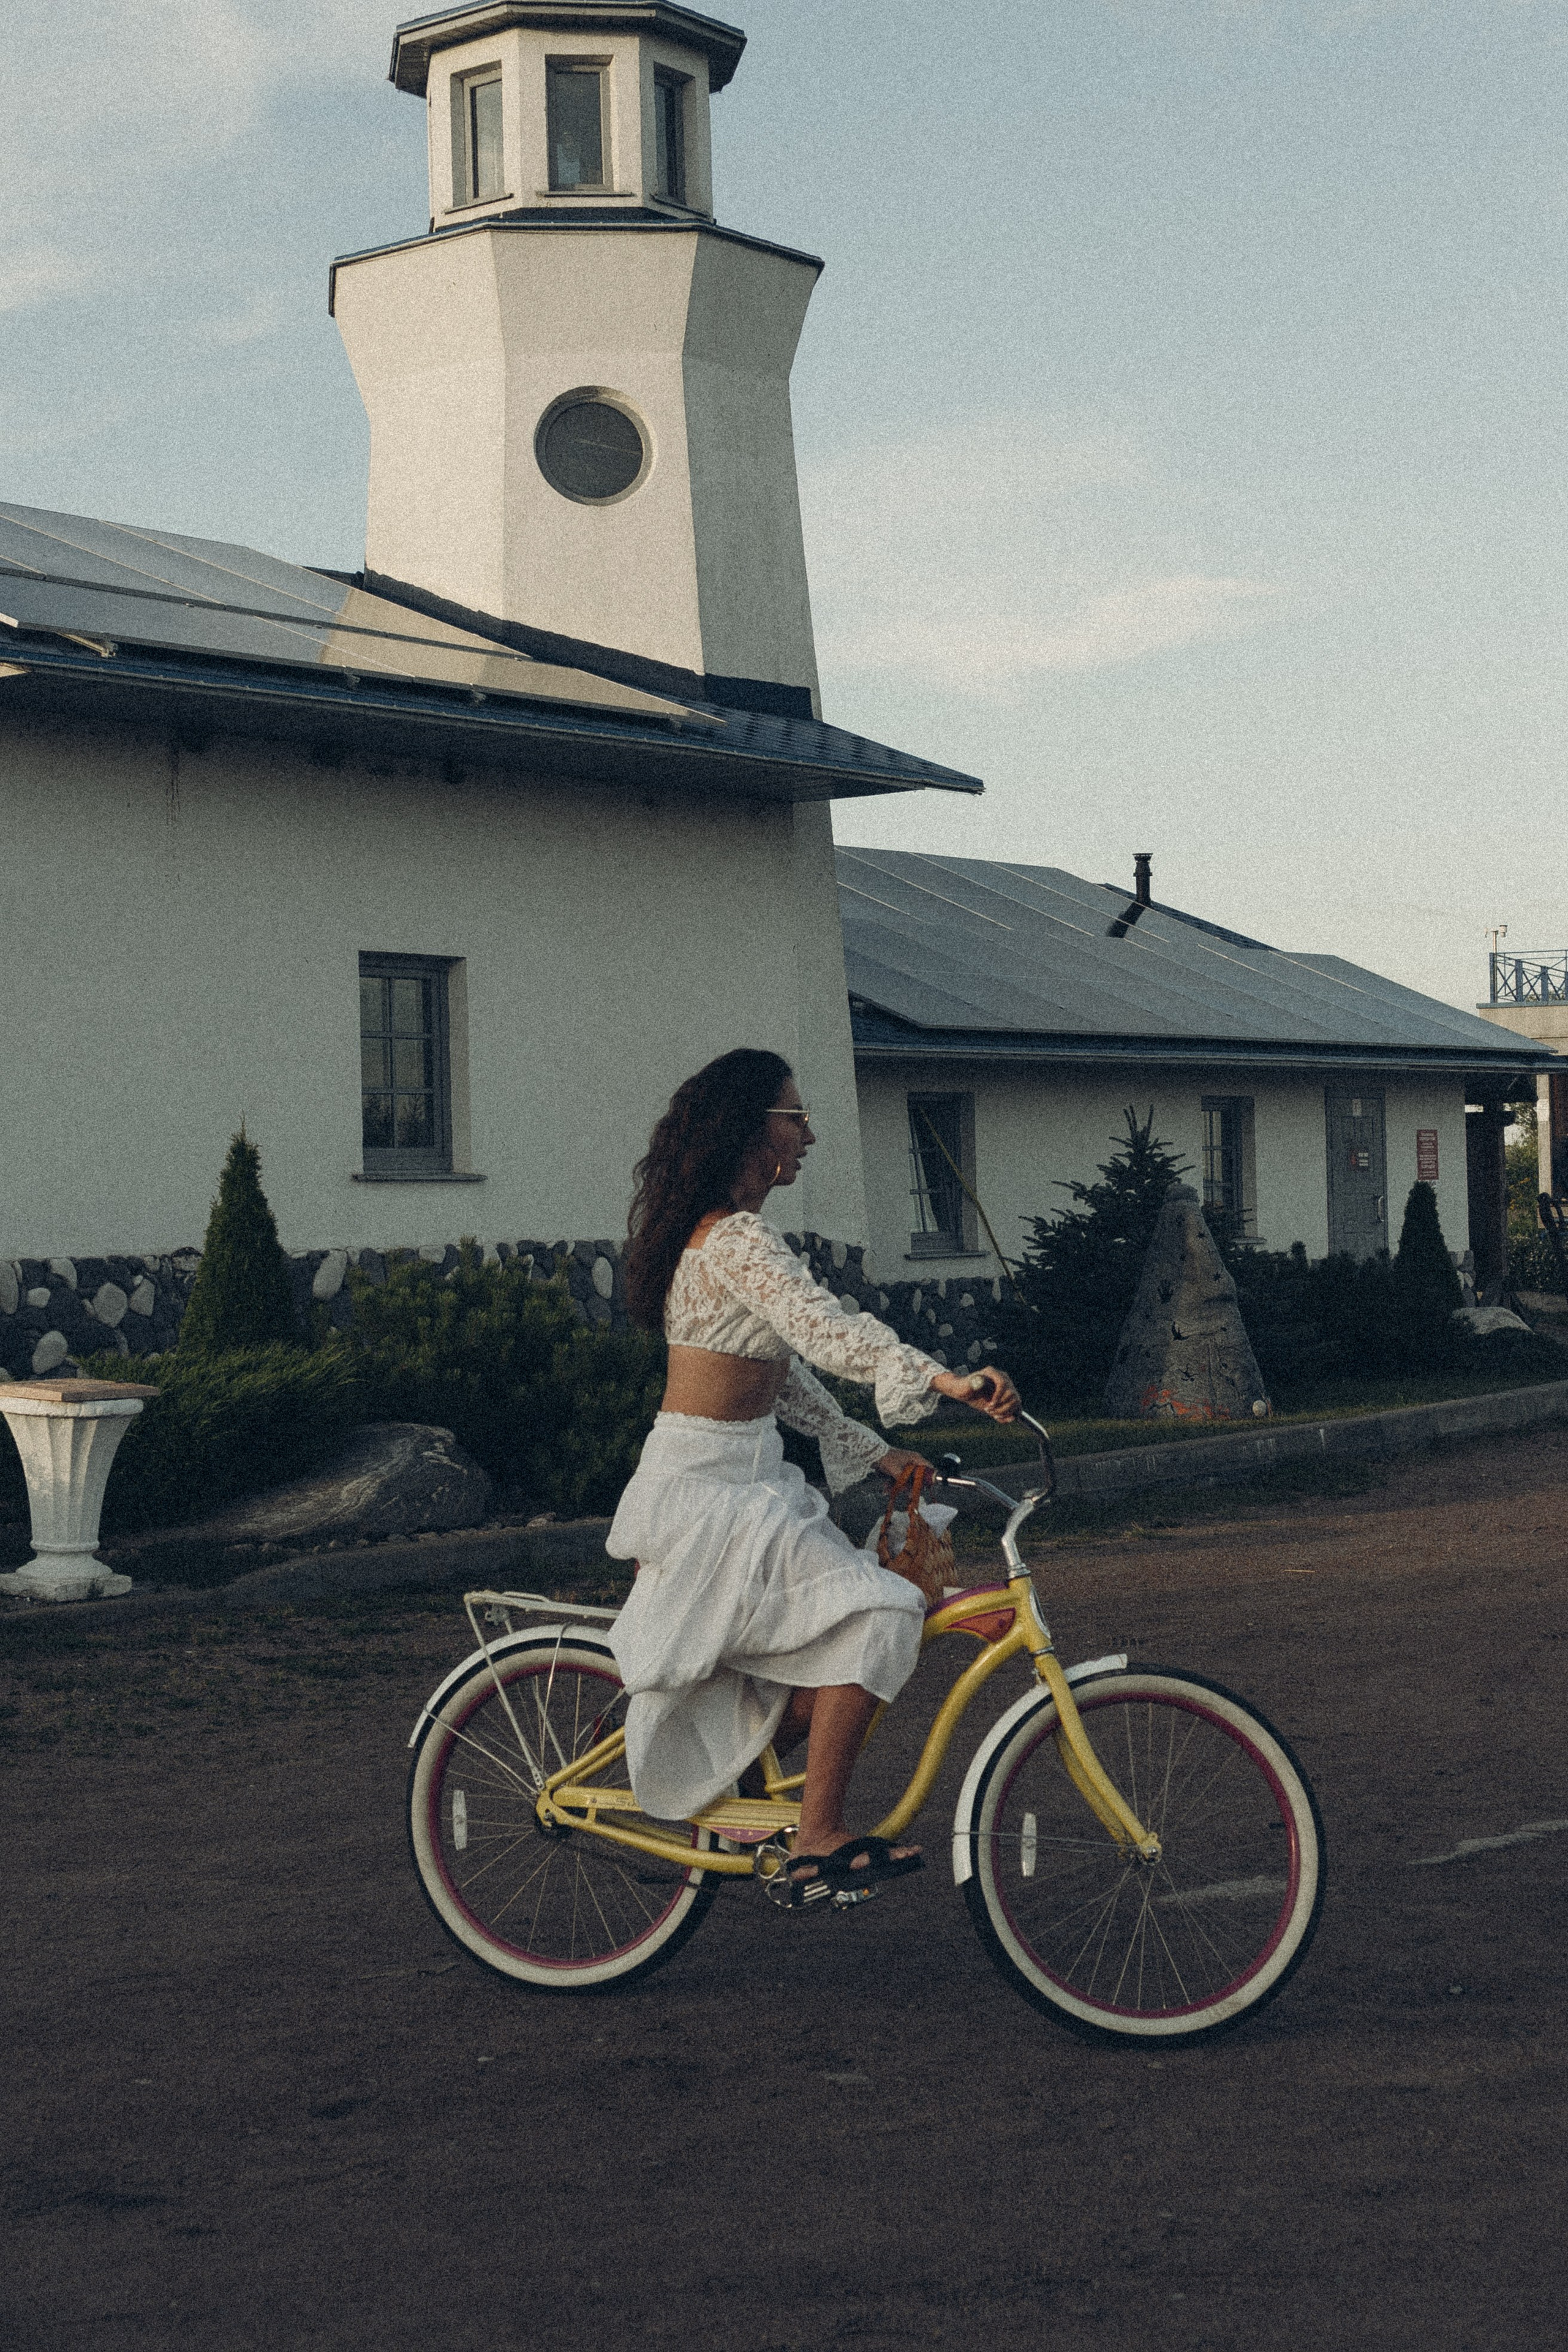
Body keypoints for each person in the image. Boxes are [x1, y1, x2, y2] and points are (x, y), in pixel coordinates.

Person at [608, 1048, 1020, 1899]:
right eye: (796, 1119)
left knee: (834, 1636)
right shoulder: (737, 1239)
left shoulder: (720, 1238)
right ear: (752, 1128)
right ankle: (817, 1836)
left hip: (734, 1480)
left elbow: (778, 1371)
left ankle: (733, 1801)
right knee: (882, 1610)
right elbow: (826, 1329)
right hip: (713, 1494)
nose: (811, 1136)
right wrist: (943, 1378)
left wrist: (872, 1447)